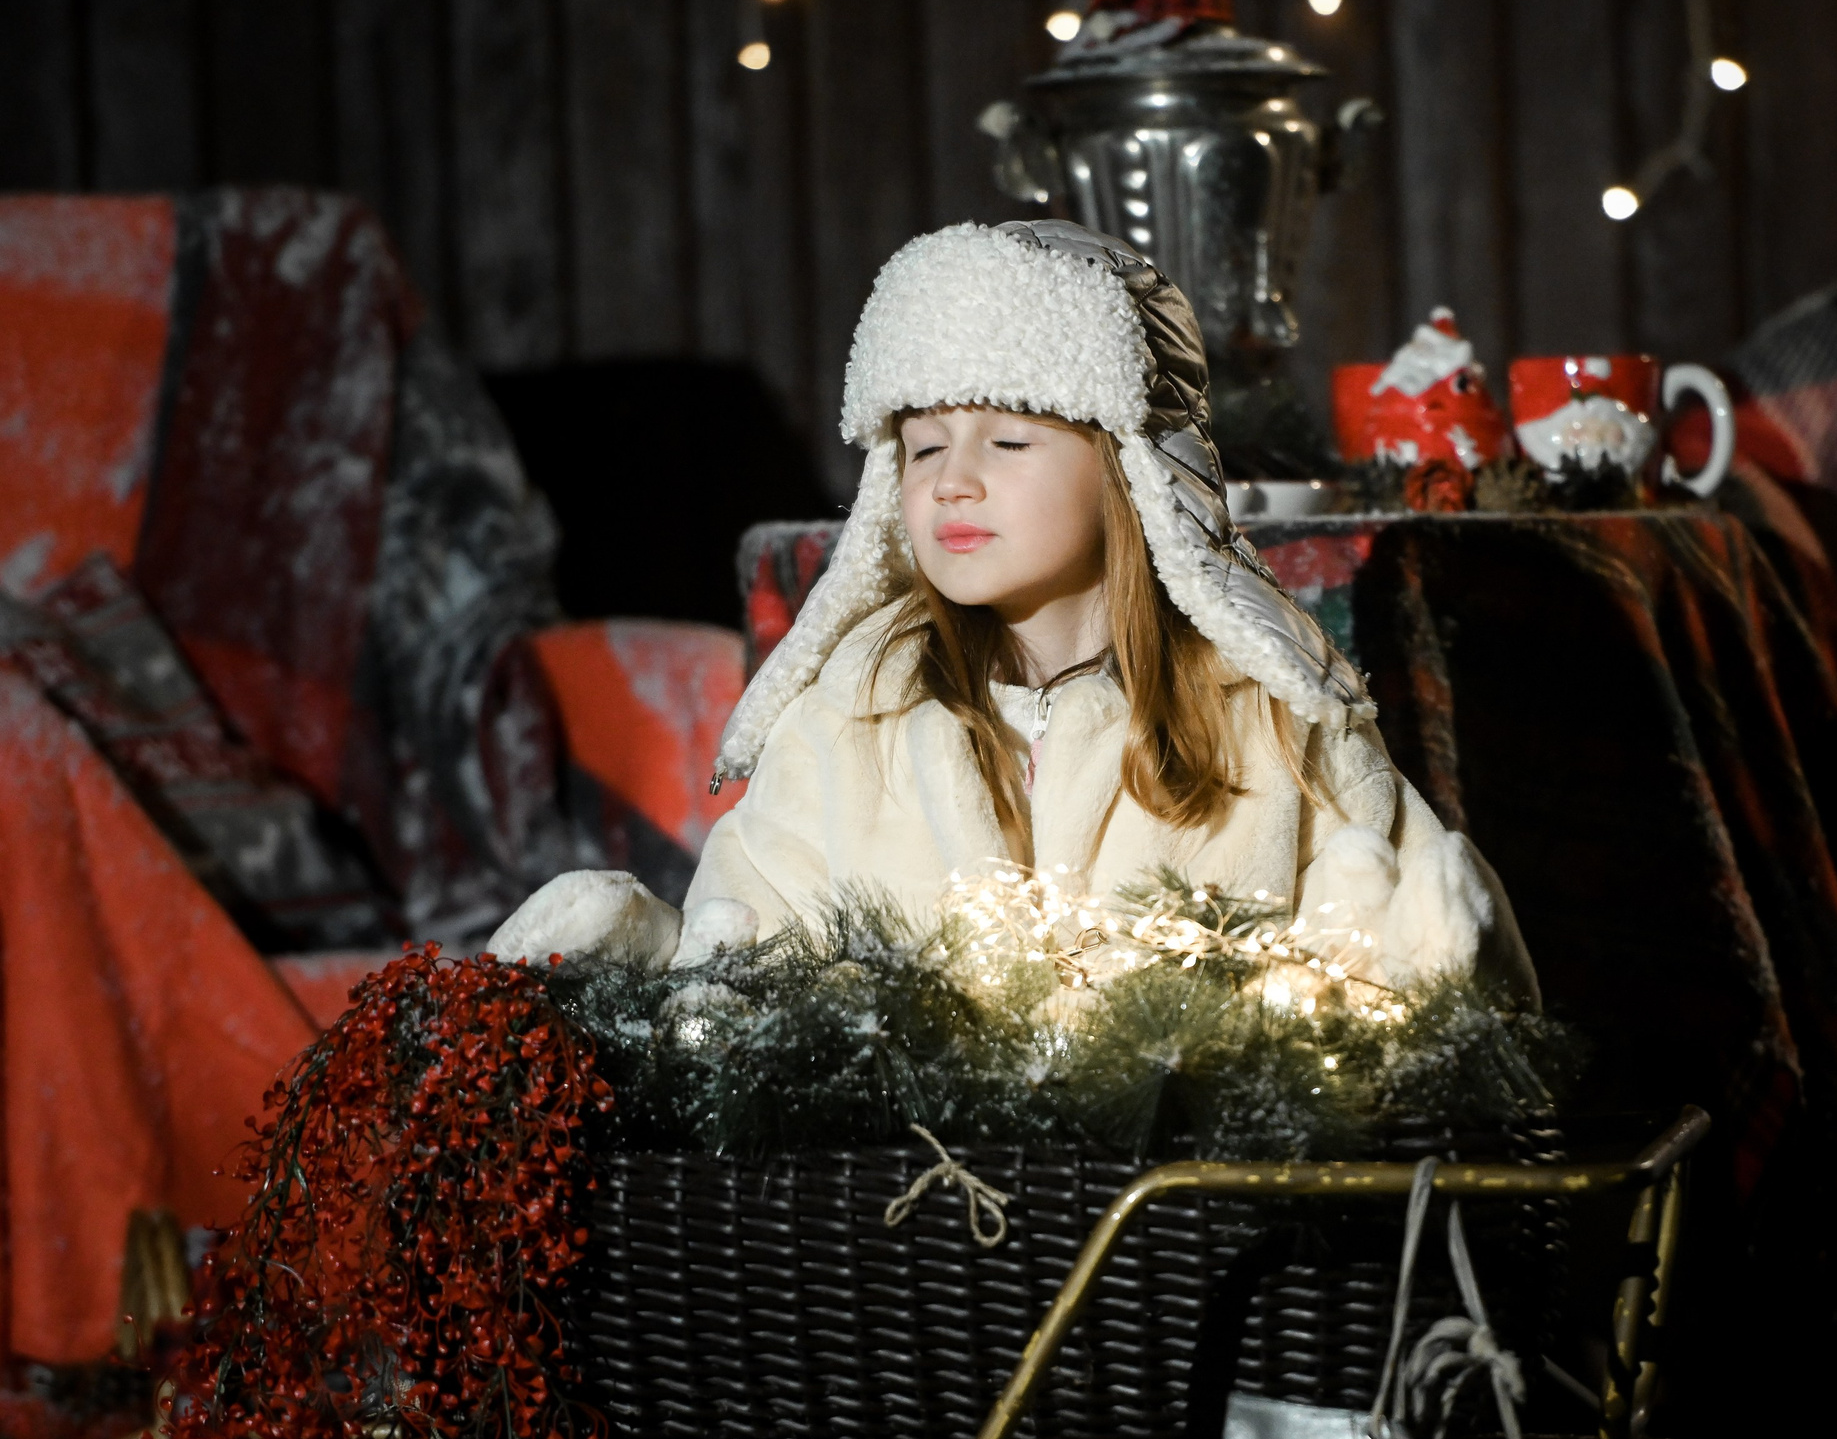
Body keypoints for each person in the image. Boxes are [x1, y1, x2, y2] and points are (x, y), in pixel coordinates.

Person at [489, 220, 1531, 1000]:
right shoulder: (851, 716)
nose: (953, 481)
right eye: (925, 444)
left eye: (1009, 441)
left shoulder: (1261, 713)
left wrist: (1419, 957)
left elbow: (1399, 937)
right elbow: (746, 949)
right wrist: (670, 972)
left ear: (1129, 472)